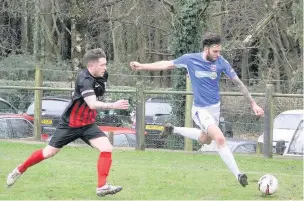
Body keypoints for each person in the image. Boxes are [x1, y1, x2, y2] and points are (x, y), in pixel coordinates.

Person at [129, 32, 264, 187]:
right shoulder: (190, 59)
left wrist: (253, 103)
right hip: (200, 110)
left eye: (219, 51)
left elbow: (238, 83)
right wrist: (141, 66)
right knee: (220, 139)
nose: (218, 54)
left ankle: (173, 130)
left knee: (206, 139)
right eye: (215, 51)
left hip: (215, 109)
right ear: (206, 49)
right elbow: (166, 64)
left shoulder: (221, 62)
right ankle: (238, 174)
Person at [7, 48, 129, 197]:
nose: (105, 68)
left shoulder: (103, 75)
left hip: (88, 124)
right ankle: (20, 169)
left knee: (106, 147)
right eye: (102, 65)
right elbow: (91, 103)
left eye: (105, 64)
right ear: (91, 66)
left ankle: (102, 186)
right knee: (49, 152)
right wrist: (113, 105)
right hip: (70, 124)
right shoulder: (84, 80)